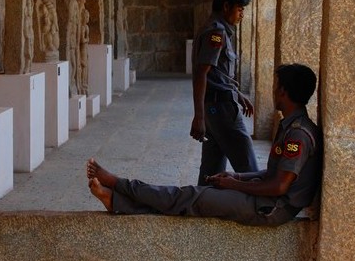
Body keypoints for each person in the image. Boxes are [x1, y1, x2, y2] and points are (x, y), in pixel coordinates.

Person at [87, 63, 322, 226]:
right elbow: (273, 175)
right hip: (267, 201)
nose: (272, 90)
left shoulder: (298, 135)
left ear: (282, 91)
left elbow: (279, 187)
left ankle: (119, 185)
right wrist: (237, 178)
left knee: (190, 196)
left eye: (275, 85)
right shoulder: (291, 126)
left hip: (270, 209)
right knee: (194, 197)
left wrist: (235, 185)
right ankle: (117, 200)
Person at [190, 0, 257, 185]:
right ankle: (261, 210)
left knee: (211, 170)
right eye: (240, 9)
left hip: (216, 107)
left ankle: (202, 204)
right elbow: (202, 74)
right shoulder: (216, 33)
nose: (242, 15)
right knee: (249, 170)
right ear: (226, 7)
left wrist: (238, 94)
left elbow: (218, 75)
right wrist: (198, 117)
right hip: (221, 110)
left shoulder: (218, 30)